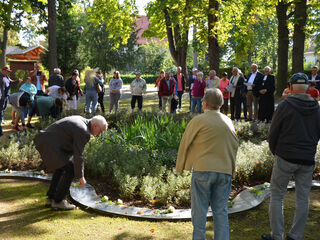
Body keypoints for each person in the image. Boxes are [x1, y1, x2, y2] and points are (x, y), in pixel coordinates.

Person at [261, 73, 320, 240]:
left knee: (277, 194)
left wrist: (276, 152)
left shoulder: (285, 105)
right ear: (308, 87)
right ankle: (295, 236)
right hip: (307, 159)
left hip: (285, 157)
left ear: (291, 87)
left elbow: (273, 133)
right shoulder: (316, 107)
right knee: (303, 197)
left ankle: (277, 235)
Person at [176, 88, 238, 240]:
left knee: (199, 212)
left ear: (204, 103)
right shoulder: (228, 121)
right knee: (221, 212)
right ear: (221, 104)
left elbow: (185, 143)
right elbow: (234, 145)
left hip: (203, 170)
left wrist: (180, 168)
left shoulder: (199, 120)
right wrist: (232, 170)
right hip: (224, 171)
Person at [34, 115, 108, 210]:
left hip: (46, 141)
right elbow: (78, 156)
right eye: (100, 131)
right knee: (71, 169)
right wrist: (81, 177)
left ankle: (51, 198)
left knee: (61, 167)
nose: (99, 133)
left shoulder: (81, 120)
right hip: (51, 145)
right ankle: (59, 201)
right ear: (95, 126)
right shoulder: (83, 131)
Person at [0, 66, 21, 135]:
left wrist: (18, 81)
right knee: (1, 108)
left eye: (9, 71)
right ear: (3, 70)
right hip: (2, 96)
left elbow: (11, 82)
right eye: (7, 71)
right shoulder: (0, 76)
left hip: (7, 95)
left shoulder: (7, 77)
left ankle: (2, 118)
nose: (8, 72)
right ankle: (0, 120)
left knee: (4, 107)